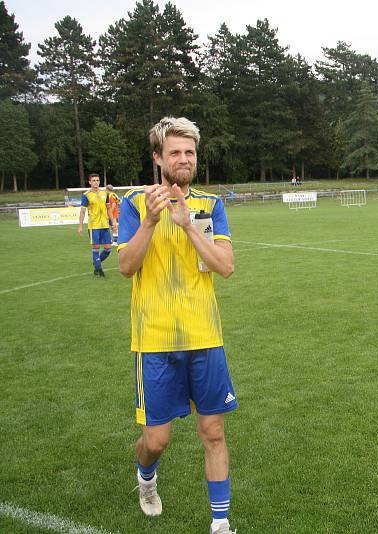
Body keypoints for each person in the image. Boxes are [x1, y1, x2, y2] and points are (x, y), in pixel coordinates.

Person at [117, 117, 237, 534]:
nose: (183, 160)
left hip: (205, 337)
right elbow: (126, 267)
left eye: (189, 153)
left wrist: (188, 226)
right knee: (156, 441)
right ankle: (146, 480)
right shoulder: (135, 203)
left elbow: (224, 267)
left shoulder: (210, 205)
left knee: (213, 432)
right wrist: (151, 221)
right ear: (157, 158)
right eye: (174, 153)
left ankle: (220, 524)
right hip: (154, 341)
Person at [77, 173, 112, 277]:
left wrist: (113, 222)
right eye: (93, 180)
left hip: (105, 225)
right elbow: (82, 211)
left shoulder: (105, 194)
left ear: (99, 182)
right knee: (96, 248)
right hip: (94, 226)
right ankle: (99, 269)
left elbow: (109, 208)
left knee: (108, 249)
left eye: (97, 180)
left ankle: (96, 262)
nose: (96, 182)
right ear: (90, 182)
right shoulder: (86, 195)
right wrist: (80, 226)